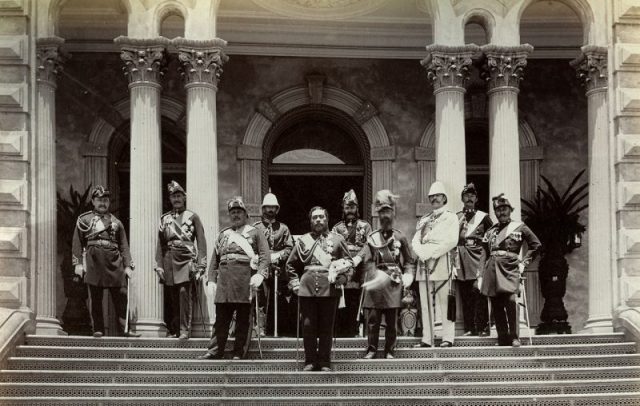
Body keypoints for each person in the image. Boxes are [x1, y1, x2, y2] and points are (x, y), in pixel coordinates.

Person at [286, 206, 353, 371]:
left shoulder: (337, 240)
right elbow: (290, 265)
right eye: (314, 217)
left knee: (326, 326)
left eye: (321, 217)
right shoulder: (303, 240)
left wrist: (342, 278)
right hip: (307, 288)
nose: (318, 220)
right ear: (310, 221)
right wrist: (295, 283)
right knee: (308, 326)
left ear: (327, 219)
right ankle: (309, 360)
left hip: (329, 288)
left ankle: (324, 361)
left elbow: (350, 264)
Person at [202, 196, 270, 359]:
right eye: (233, 212)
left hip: (244, 281)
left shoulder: (255, 233)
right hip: (224, 282)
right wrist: (211, 279)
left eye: (239, 212)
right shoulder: (223, 235)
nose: (236, 215)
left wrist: (260, 274)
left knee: (243, 320)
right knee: (221, 320)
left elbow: (265, 256)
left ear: (246, 215)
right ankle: (214, 350)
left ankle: (239, 351)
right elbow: (214, 260)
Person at [72, 185, 139, 337]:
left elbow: (124, 246)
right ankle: (98, 329)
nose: (103, 203)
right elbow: (77, 243)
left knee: (121, 296)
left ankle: (125, 329)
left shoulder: (116, 222)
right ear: (93, 201)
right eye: (99, 200)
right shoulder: (84, 220)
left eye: (106, 200)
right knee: (95, 298)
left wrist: (127, 266)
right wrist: (78, 264)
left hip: (114, 262)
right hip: (94, 261)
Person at [355, 190, 415, 359]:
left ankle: (390, 350)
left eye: (387, 212)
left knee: (391, 321)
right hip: (376, 281)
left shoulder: (400, 237)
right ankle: (372, 349)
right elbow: (366, 259)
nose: (385, 216)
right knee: (373, 320)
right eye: (382, 212)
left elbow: (410, 261)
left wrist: (408, 275)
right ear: (378, 215)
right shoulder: (372, 237)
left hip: (394, 282)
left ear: (392, 213)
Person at [482, 194, 541, 347]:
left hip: (510, 267)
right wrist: (481, 272)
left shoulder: (520, 227)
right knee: (496, 304)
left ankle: (514, 337)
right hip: (493, 268)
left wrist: (524, 263)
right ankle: (502, 337)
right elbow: (484, 251)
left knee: (510, 301)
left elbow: (536, 245)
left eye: (504, 209)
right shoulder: (490, 231)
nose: (501, 212)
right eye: (498, 210)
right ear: (495, 213)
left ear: (510, 210)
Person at [154, 181, 207, 340]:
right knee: (172, 296)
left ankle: (184, 330)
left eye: (179, 196)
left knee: (184, 293)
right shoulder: (165, 219)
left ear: (184, 198)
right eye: (173, 196)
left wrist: (201, 264)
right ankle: (175, 329)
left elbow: (201, 242)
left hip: (186, 259)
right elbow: (160, 244)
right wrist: (159, 265)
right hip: (169, 259)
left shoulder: (192, 217)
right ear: (170, 199)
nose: (176, 199)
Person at [411, 181, 459, 348]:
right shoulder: (425, 219)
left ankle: (448, 337)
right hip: (424, 263)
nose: (434, 199)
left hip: (441, 261)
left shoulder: (451, 217)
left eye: (438, 196)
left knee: (445, 302)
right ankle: (427, 338)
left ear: (444, 197)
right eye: (432, 196)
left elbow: (452, 241)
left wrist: (432, 252)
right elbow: (415, 240)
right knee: (424, 303)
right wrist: (421, 252)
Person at [331, 189, 372, 337]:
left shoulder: (365, 226)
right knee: (341, 302)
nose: (350, 210)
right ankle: (341, 334)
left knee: (359, 301)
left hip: (361, 268)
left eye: (352, 207)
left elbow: (369, 245)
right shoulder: (336, 228)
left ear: (357, 208)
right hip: (343, 269)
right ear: (343, 208)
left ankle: (358, 332)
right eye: (347, 207)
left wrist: (358, 258)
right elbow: (333, 246)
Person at [253, 191, 294, 336]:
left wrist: (280, 255)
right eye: (267, 207)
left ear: (277, 210)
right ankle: (261, 329)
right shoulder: (256, 227)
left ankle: (279, 329)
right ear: (263, 209)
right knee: (260, 297)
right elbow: (251, 246)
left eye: (273, 207)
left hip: (278, 269)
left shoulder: (283, 228)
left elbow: (290, 247)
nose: (270, 210)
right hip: (262, 268)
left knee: (279, 298)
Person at [456, 183, 493, 336]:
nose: (469, 198)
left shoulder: (483, 217)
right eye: (466, 195)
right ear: (462, 198)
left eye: (472, 195)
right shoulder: (457, 217)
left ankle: (482, 326)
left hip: (477, 258)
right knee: (464, 294)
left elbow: (492, 236)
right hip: (462, 259)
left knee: (478, 292)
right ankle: (469, 328)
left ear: (476, 199)